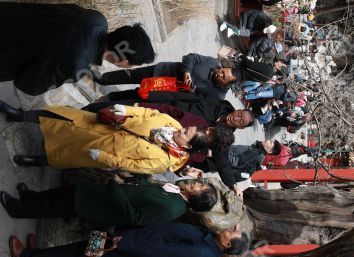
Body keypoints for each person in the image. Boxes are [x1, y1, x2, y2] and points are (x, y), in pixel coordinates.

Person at [0, 102, 205, 174]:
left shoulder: (163, 162)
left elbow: (128, 165)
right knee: (62, 117)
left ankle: (34, 161)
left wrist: (102, 158)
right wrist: (126, 109)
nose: (180, 130)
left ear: (187, 147)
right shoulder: (172, 124)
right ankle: (19, 114)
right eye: (186, 128)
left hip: (104, 148)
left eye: (185, 134)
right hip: (104, 124)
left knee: (66, 155)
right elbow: (148, 113)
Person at [0, 3, 155, 95]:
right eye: (131, 66)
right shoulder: (77, 66)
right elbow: (27, 84)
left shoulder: (95, 18)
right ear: (124, 61)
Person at [8, 223, 249, 257]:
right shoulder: (208, 240)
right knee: (80, 247)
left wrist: (126, 242)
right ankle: (38, 253)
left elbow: (158, 250)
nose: (228, 228)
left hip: (121, 247)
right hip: (126, 239)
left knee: (78, 254)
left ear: (227, 244)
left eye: (231, 232)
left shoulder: (202, 251)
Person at [0, 178, 218, 227]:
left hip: (100, 204)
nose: (195, 183)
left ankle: (17, 209)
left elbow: (134, 217)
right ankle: (30, 196)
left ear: (195, 197)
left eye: (199, 187)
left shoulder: (173, 208)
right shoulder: (176, 191)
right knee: (63, 192)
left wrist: (116, 190)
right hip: (99, 191)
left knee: (55, 207)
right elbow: (147, 187)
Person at [96, 53, 241, 101]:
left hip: (166, 91)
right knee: (132, 75)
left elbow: (198, 102)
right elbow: (190, 57)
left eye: (223, 76)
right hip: (163, 71)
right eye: (223, 70)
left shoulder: (218, 95)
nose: (219, 73)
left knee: (137, 94)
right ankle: (103, 79)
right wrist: (187, 72)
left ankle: (109, 98)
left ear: (226, 84)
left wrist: (191, 92)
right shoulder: (213, 62)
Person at [84, 94, 256, 129]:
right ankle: (85, 110)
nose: (236, 118)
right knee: (117, 107)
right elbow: (189, 97)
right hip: (160, 106)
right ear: (238, 109)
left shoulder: (222, 134)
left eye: (241, 121)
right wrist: (156, 97)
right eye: (240, 114)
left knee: (118, 123)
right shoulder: (219, 104)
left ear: (240, 128)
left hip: (159, 127)